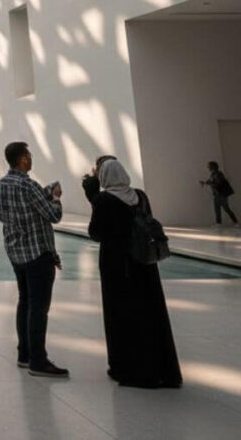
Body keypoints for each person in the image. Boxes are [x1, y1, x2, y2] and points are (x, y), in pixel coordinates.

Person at [84, 159, 182, 388]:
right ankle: (162, 369)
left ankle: (129, 368)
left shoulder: (104, 200)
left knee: (123, 315)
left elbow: (96, 232)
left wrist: (94, 199)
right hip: (144, 263)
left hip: (117, 265)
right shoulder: (140, 196)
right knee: (151, 313)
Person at [0, 141, 68, 378]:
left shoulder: (2, 184)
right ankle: (39, 360)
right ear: (23, 159)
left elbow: (4, 214)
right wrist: (55, 197)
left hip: (16, 253)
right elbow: (53, 215)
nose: (32, 158)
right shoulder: (28, 185)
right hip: (38, 254)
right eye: (30, 155)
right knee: (39, 307)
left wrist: (43, 193)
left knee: (24, 300)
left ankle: (24, 354)